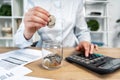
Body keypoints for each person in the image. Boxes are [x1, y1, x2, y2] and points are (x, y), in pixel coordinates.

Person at [14, 0, 98, 57]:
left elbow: (82, 31)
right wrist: (28, 32)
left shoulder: (76, 1)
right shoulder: (33, 1)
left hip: (72, 54)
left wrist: (84, 41)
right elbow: (19, 42)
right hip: (44, 55)